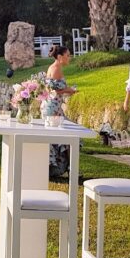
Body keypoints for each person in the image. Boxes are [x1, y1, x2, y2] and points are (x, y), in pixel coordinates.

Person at [45, 45, 78, 177]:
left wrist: (67, 90)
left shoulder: (52, 67)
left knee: (61, 137)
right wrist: (70, 90)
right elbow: (56, 90)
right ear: (60, 57)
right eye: (68, 55)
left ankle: (67, 168)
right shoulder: (57, 68)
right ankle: (69, 169)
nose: (69, 57)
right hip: (54, 107)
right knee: (68, 136)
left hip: (52, 105)